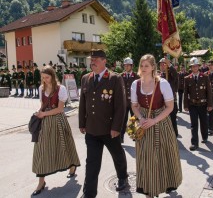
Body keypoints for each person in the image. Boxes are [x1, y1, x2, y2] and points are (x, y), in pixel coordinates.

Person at [79, 49, 128, 198]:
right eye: (91, 60)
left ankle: (122, 177)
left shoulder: (114, 78)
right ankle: (89, 194)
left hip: (109, 129)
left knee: (117, 155)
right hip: (92, 129)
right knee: (92, 163)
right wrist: (82, 122)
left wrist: (116, 128)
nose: (92, 62)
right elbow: (83, 103)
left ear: (104, 61)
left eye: (96, 60)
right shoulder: (86, 78)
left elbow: (121, 106)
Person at [131, 54, 182, 198]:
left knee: (163, 156)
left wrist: (154, 120)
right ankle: (149, 190)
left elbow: (170, 107)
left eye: (146, 65)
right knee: (146, 157)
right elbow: (134, 106)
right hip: (143, 124)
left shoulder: (163, 83)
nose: (143, 68)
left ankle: (165, 184)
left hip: (161, 122)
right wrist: (140, 118)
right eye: (141, 65)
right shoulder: (136, 84)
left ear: (153, 67)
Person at [32, 65, 80, 196]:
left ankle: (72, 166)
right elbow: (42, 104)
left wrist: (44, 114)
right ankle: (41, 181)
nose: (45, 80)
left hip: (58, 121)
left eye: (47, 77)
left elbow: (60, 109)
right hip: (45, 123)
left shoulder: (61, 89)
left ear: (52, 76)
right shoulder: (41, 88)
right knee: (41, 150)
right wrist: (39, 111)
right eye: (42, 77)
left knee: (64, 146)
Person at [184, 57, 213, 151]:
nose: (194, 68)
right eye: (193, 66)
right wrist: (185, 105)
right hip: (192, 104)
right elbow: (186, 93)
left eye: (196, 66)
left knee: (204, 122)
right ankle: (194, 143)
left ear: (198, 66)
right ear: (191, 68)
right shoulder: (187, 78)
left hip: (203, 104)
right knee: (194, 124)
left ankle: (204, 136)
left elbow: (209, 92)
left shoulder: (205, 77)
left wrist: (210, 104)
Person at [120, 57, 140, 143]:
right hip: (124, 103)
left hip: (133, 102)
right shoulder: (120, 76)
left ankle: (135, 136)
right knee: (122, 120)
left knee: (134, 120)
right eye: (125, 65)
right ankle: (121, 137)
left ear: (132, 66)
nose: (126, 67)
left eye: (128, 65)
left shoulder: (136, 76)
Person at [159, 56, 179, 136]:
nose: (162, 66)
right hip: (161, 102)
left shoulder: (171, 75)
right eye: (161, 64)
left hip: (170, 102)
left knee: (172, 119)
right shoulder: (158, 75)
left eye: (164, 64)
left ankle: (174, 135)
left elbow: (175, 74)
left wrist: (169, 65)